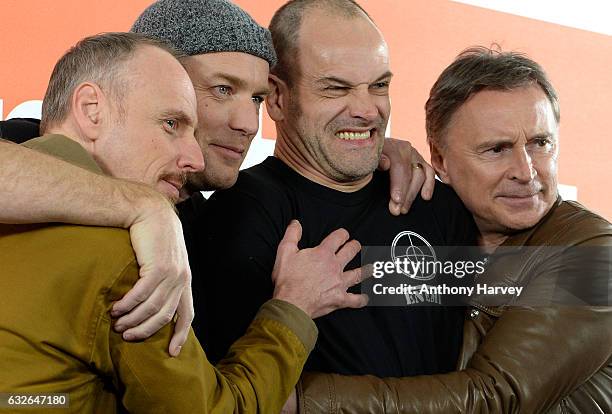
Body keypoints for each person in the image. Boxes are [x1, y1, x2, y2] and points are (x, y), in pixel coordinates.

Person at [0, 0, 434, 356]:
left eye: (258, 97)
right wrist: (143, 207)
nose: (248, 122)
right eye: (222, 89)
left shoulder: (215, 217)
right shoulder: (35, 141)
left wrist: (375, 148)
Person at [0, 32, 374, 413]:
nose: (194, 157)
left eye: (257, 99)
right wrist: (293, 309)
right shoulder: (136, 257)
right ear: (91, 109)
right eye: (171, 124)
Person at [293, 48, 612, 413]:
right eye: (496, 149)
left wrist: (297, 398)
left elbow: (492, 397)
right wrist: (377, 152)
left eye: (540, 143)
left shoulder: (593, 251)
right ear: (440, 160)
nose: (526, 172)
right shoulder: (436, 226)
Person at [192, 0, 478, 380]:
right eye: (335, 89)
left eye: (378, 85)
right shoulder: (237, 216)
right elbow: (228, 397)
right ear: (277, 97)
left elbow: (551, 311)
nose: (366, 110)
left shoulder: (433, 199)